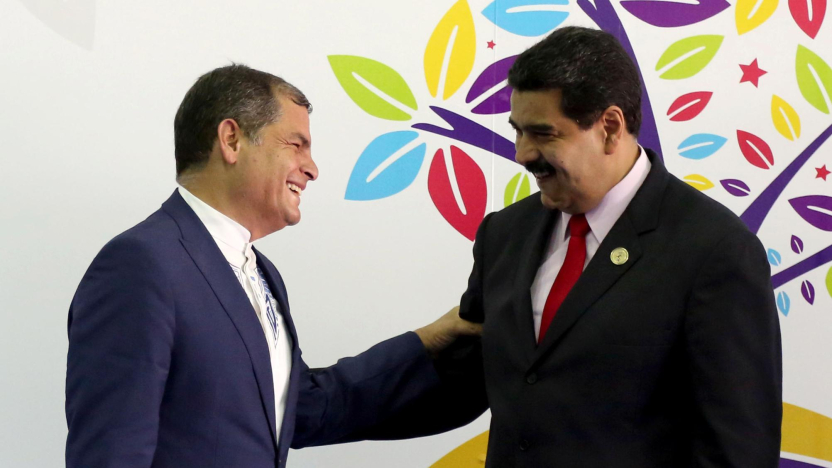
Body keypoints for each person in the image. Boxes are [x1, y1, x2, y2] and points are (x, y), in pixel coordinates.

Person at [64, 64, 480, 468]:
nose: (312, 169)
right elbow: (111, 451)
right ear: (231, 140)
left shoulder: (262, 273)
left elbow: (304, 408)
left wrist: (427, 341)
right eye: (296, 145)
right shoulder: (141, 264)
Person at [408, 26, 782, 467]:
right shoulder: (503, 234)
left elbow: (737, 451)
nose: (522, 154)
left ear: (609, 128)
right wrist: (330, 399)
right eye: (518, 132)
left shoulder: (715, 250)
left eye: (543, 134)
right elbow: (459, 385)